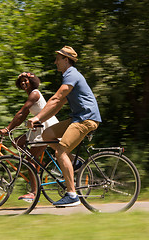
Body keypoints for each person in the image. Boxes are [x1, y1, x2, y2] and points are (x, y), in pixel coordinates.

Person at [27, 46, 102, 207]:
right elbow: (59, 104)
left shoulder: (72, 74)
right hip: (77, 118)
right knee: (47, 135)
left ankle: (72, 194)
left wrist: (37, 117)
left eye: (58, 59)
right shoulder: (69, 76)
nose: (55, 62)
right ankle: (73, 162)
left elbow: (56, 98)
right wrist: (39, 120)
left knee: (60, 151)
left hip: (86, 119)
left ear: (66, 60)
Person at [0, 72, 58, 202]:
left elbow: (22, 112)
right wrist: (11, 129)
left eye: (25, 80)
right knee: (17, 143)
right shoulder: (30, 94)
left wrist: (8, 128)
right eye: (21, 82)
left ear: (32, 81)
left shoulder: (35, 93)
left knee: (29, 160)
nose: (23, 83)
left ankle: (33, 193)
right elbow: (23, 116)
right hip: (38, 129)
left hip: (46, 128)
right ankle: (38, 164)